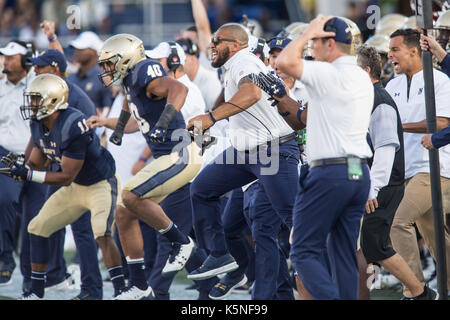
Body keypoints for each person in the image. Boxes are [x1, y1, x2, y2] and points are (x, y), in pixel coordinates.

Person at [185, 23, 299, 282]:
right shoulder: (233, 65)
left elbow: (252, 93)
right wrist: (209, 117)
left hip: (274, 149)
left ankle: (327, 266)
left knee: (293, 219)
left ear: (236, 45)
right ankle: (218, 254)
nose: (211, 45)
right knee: (202, 189)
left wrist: (211, 117)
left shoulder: (243, 61)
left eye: (218, 40)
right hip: (246, 152)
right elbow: (234, 96)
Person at [92, 33, 200, 300]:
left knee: (130, 194)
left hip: (181, 153)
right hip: (167, 157)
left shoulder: (143, 69)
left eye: (110, 62)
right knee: (123, 213)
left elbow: (179, 89)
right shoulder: (131, 80)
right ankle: (140, 284)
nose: (106, 69)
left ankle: (181, 242)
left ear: (126, 58)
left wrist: (165, 122)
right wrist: (116, 128)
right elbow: (136, 112)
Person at [275, 15, 374, 300]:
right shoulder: (359, 75)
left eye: (317, 42)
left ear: (331, 43)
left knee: (303, 251)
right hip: (358, 172)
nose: (311, 48)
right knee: (343, 253)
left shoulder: (331, 73)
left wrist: (305, 32)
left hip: (330, 172)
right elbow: (309, 115)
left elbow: (283, 62)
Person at [3, 74, 125, 300]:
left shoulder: (72, 123)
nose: (31, 104)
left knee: (102, 233)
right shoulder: (39, 121)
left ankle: (121, 290)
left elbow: (67, 175)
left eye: (36, 99)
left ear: (53, 100)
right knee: (37, 227)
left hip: (99, 184)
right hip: (76, 187)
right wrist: (20, 168)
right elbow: (38, 162)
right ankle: (36, 293)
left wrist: (29, 174)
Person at [356, 44, 437, 300]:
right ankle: (416, 292)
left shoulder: (379, 101)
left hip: (383, 184)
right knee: (369, 245)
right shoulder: (366, 99)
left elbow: (386, 149)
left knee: (374, 245)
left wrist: (373, 187)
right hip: (374, 183)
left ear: (366, 71)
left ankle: (420, 292)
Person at [28, 49, 105, 300]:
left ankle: (92, 289)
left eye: (41, 67)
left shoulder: (75, 99)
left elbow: (83, 145)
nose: (36, 71)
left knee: (85, 231)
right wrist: (22, 164)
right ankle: (52, 277)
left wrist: (32, 174)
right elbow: (39, 139)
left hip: (84, 172)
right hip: (59, 164)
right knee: (44, 224)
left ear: (55, 69)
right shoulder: (42, 99)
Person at [385, 28, 450, 298]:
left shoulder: (440, 80)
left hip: (435, 166)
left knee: (397, 221)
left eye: (395, 49)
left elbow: (442, 124)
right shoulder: (392, 85)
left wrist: (397, 126)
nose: (389, 56)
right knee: (436, 237)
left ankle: (415, 291)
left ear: (414, 50)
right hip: (406, 168)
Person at [0, 40, 36, 287]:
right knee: (6, 201)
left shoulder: (39, 83)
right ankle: (5, 259)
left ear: (26, 60)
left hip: (36, 155)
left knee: (36, 215)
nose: (6, 61)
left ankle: (40, 269)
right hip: (5, 153)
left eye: (12, 57)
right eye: (5, 57)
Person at [67, 31, 112, 117]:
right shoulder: (70, 78)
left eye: (81, 49)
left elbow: (108, 110)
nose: (76, 52)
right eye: (76, 49)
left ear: (93, 51)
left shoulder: (103, 78)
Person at [176, 37, 222, 111]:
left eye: (181, 60)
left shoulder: (211, 82)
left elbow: (216, 117)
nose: (176, 64)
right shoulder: (180, 81)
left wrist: (196, 123)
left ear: (193, 59)